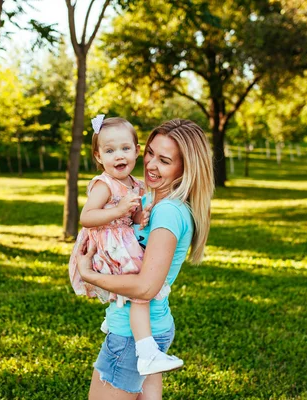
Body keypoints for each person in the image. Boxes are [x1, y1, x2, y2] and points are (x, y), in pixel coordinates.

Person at [75, 119, 214, 399]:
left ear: (184, 167)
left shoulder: (168, 213)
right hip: (152, 327)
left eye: (164, 160)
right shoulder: (154, 203)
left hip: (130, 336)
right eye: (151, 153)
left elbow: (146, 288)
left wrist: (89, 275)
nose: (151, 165)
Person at [68, 115, 183, 378]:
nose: (118, 156)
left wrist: (138, 216)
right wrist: (119, 209)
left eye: (125, 148)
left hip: (122, 241)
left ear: (136, 150)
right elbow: (86, 217)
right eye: (109, 151)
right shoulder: (104, 184)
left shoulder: (137, 184)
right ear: (98, 156)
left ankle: (114, 318)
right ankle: (146, 352)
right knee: (140, 289)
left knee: (139, 283)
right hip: (106, 243)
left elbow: (131, 218)